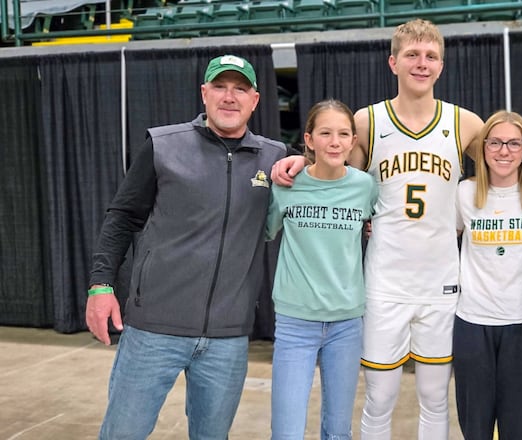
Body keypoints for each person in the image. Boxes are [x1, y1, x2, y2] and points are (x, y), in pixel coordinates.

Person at [271, 18, 484, 440]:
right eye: (412, 55)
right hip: (384, 282)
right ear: (393, 62)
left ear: (441, 65)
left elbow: (508, 166)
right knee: (380, 397)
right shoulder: (368, 121)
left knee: (435, 397)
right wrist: (297, 160)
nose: (421, 64)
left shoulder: (465, 123)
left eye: (430, 57)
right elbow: (332, 169)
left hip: (441, 282)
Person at [85, 54, 290, 439]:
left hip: (227, 338)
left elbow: (324, 190)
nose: (229, 97)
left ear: (255, 100)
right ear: (204, 93)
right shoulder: (164, 145)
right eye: (220, 87)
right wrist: (101, 285)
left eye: (240, 89)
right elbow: (122, 216)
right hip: (153, 330)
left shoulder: (275, 157)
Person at [265, 99, 378, 440]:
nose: (335, 141)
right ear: (309, 140)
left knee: (338, 431)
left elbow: (379, 225)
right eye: (325, 133)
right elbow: (264, 231)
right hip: (295, 323)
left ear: (353, 141)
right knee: (286, 432)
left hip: (346, 323)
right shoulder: (287, 184)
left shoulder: (365, 187)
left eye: (343, 134)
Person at [453, 110, 522, 440]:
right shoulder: (464, 193)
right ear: (482, 148)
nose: (503, 151)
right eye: (494, 142)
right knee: (475, 429)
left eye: (513, 143)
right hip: (472, 324)